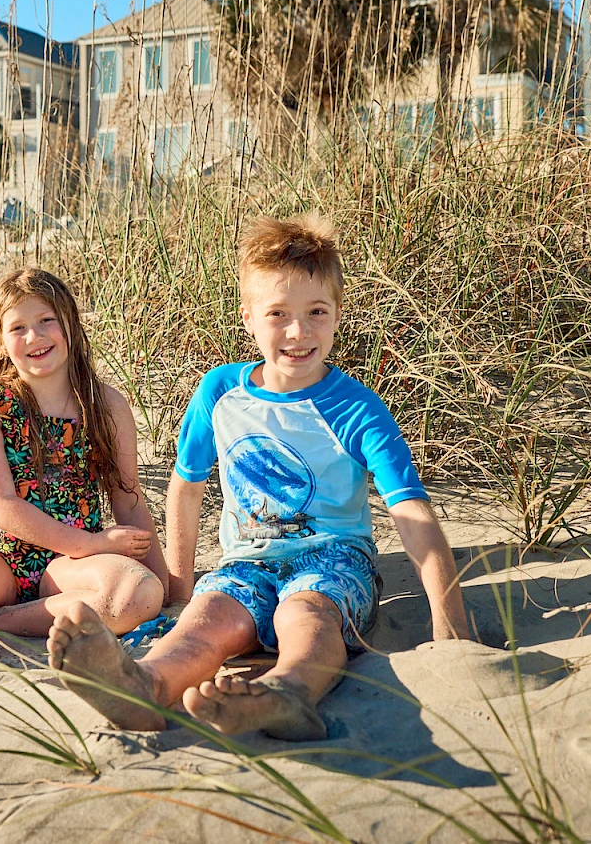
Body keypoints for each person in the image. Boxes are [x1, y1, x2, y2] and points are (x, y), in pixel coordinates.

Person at [47, 215, 471, 740]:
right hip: (246, 563)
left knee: (308, 615)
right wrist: (181, 588)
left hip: (334, 558)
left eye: (317, 312)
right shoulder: (221, 392)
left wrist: (449, 616)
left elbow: (410, 512)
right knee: (205, 621)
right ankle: (146, 687)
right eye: (278, 314)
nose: (299, 332)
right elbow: (186, 488)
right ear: (248, 318)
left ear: (338, 315)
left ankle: (289, 692)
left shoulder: (357, 409)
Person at [0, 267, 168, 641]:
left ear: (71, 324)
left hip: (70, 564)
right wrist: (94, 544)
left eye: (47, 320)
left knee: (139, 596)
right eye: (18, 328)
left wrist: (169, 588)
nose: (35, 336)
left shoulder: (105, 405)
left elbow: (128, 501)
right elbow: (1, 505)